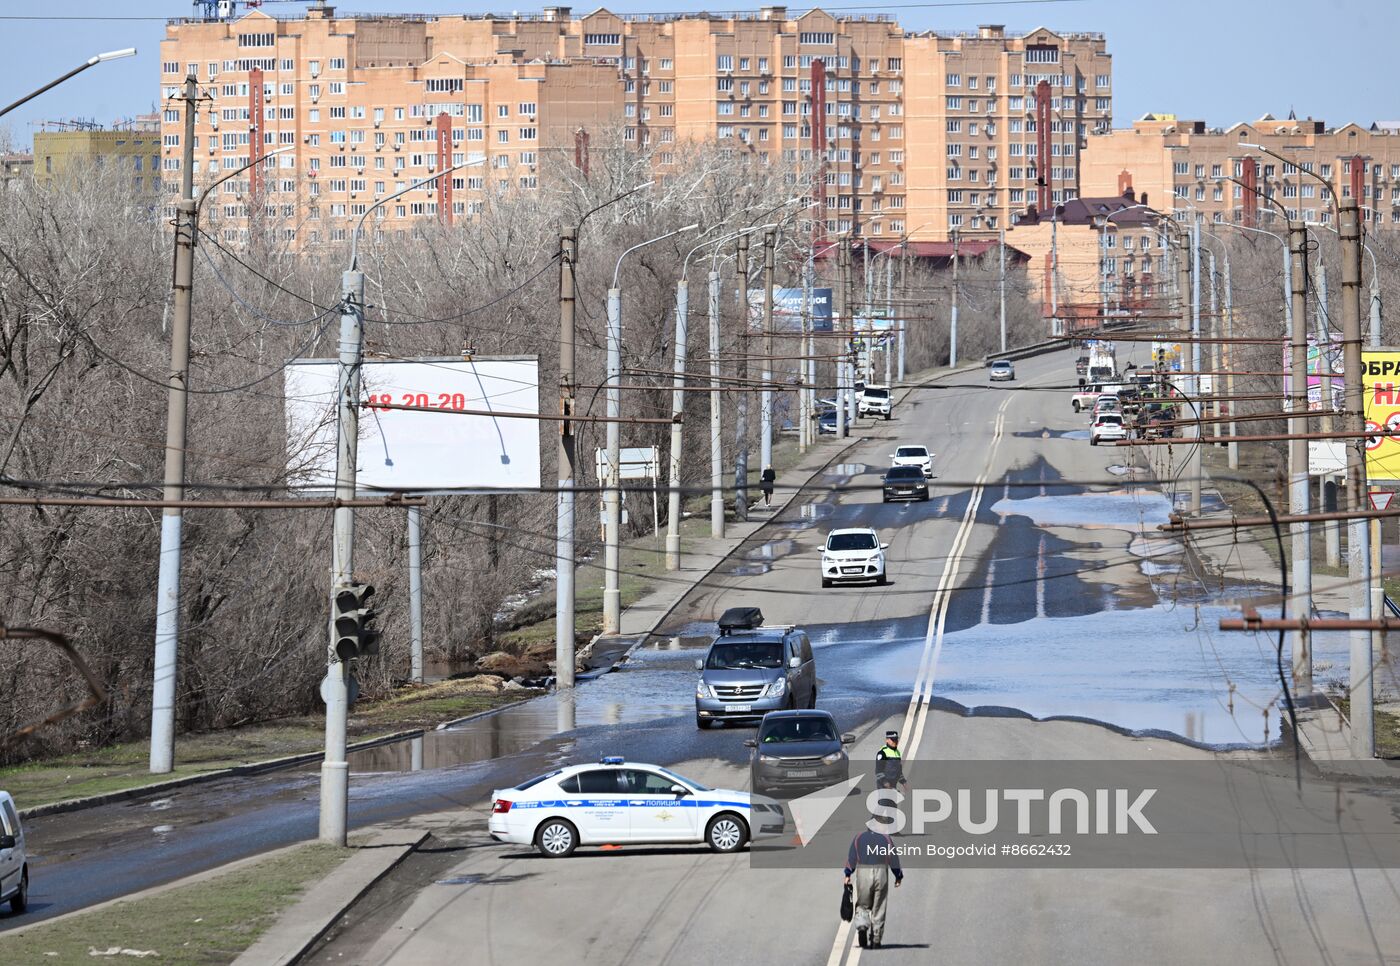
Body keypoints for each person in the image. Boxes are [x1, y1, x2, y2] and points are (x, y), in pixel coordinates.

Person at [844, 823, 903, 948]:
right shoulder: (886, 839)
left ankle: (862, 926)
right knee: (879, 906)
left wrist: (848, 873)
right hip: (881, 872)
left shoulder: (859, 837)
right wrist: (898, 875)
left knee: (863, 903)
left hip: (863, 871)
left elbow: (852, 857)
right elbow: (893, 859)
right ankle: (876, 939)